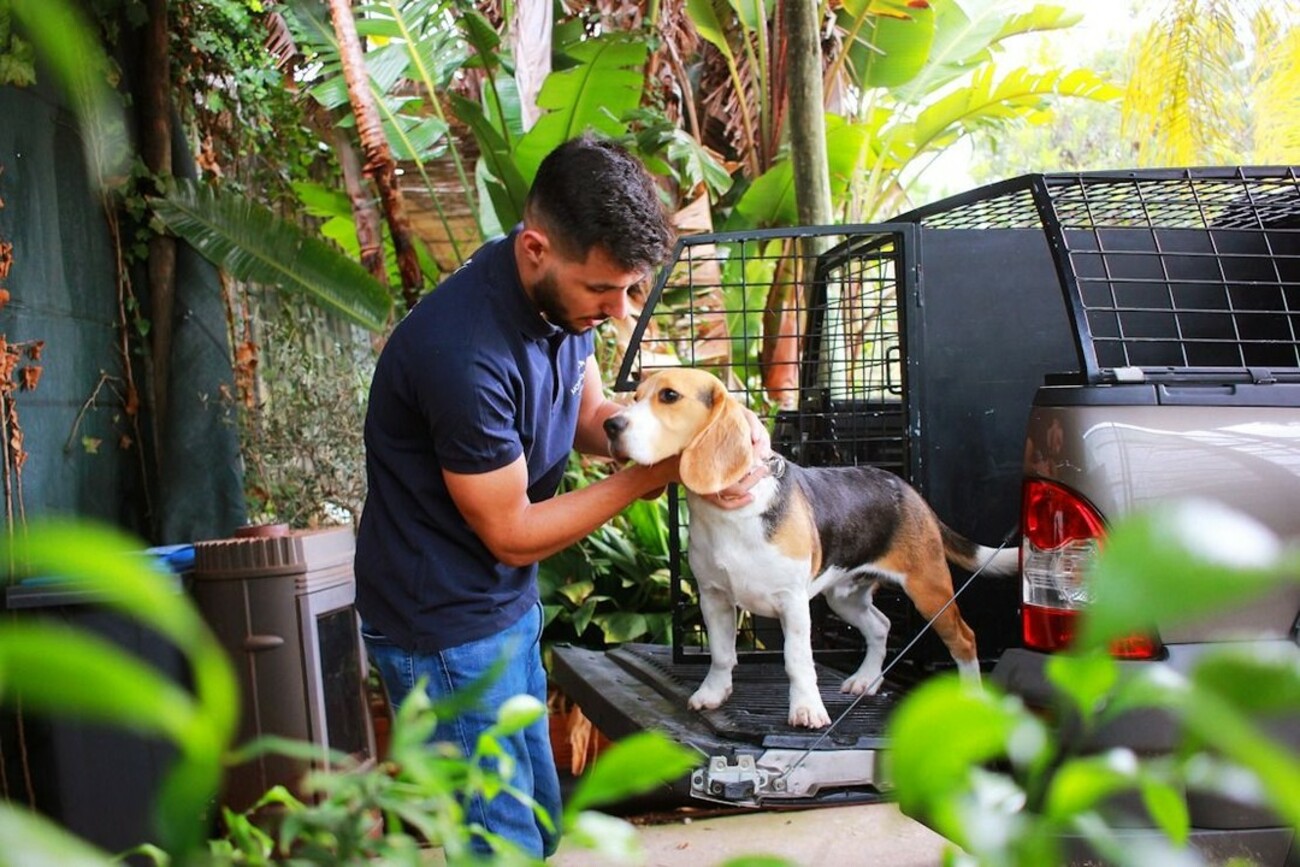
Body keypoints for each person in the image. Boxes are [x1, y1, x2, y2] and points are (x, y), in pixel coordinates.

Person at [354, 134, 768, 859]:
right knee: (499, 839)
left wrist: (683, 437)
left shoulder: (554, 300)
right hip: (442, 626)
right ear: (537, 249)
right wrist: (650, 477)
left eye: (629, 290)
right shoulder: (462, 356)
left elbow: (585, 419)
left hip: (504, 603)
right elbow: (512, 531)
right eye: (602, 291)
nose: (617, 314)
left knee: (538, 817)